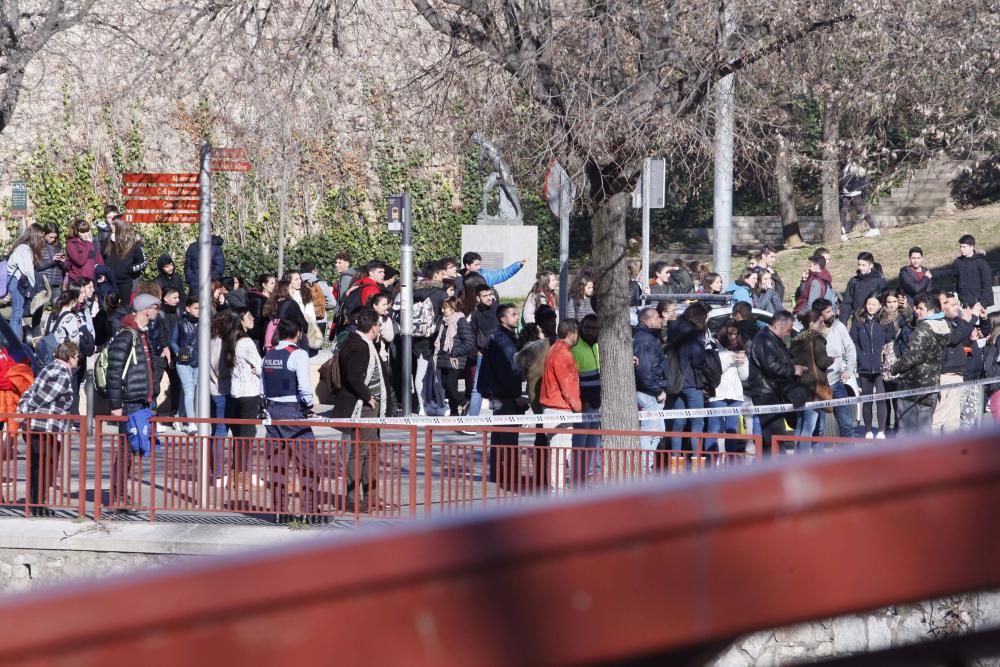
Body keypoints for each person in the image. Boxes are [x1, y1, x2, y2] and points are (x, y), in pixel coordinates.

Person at [262, 318, 318, 518]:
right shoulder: (298, 354)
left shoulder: (268, 356)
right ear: (298, 334)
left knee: (278, 465)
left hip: (272, 411)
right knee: (309, 463)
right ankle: (309, 510)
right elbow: (304, 387)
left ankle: (279, 511)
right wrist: (309, 404)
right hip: (292, 412)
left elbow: (263, 387)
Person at [107, 293, 160, 506]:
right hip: (129, 402)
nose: (157, 311)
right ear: (146, 309)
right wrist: (115, 405)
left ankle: (121, 494)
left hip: (140, 401)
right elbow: (114, 371)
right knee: (125, 449)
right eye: (155, 308)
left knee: (132, 449)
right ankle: (118, 495)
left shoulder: (143, 334)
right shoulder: (126, 335)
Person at [332, 310, 388, 512]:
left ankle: (370, 496)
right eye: (379, 325)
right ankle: (353, 499)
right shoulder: (358, 345)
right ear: (373, 327)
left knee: (371, 453)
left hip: (369, 407)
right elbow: (354, 376)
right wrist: (367, 396)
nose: (380, 328)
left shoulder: (366, 343)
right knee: (360, 452)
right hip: (363, 407)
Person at [16, 340, 79, 515]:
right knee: (46, 467)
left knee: (39, 466)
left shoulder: (48, 368)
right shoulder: (62, 373)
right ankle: (38, 505)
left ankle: (35, 504)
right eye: (77, 357)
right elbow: (44, 395)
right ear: (70, 357)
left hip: (36, 426)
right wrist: (25, 410)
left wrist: (22, 408)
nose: (78, 360)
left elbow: (30, 391)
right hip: (45, 426)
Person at [886, 293, 951, 435]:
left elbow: (912, 357)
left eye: (920, 308)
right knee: (924, 433)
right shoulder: (943, 325)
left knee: (906, 434)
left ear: (931, 310)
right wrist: (906, 310)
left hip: (912, 386)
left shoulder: (923, 330)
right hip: (931, 386)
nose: (917, 310)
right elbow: (916, 323)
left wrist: (893, 368)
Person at [477, 304, 526, 488]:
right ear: (502, 319)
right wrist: (516, 395)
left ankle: (498, 474)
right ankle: (508, 476)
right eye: (513, 314)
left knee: (499, 435)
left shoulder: (504, 337)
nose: (516, 317)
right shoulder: (502, 340)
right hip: (505, 394)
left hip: (499, 393)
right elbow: (511, 369)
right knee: (507, 436)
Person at [747, 311, 805, 453]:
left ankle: (770, 469)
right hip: (766, 394)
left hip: (775, 392)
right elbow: (772, 367)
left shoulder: (773, 339)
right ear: (778, 325)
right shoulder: (764, 340)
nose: (788, 333)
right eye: (788, 330)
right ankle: (773, 471)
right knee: (774, 438)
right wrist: (793, 369)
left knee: (774, 438)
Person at [223, 308, 263, 493]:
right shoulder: (246, 342)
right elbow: (260, 365)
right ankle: (240, 476)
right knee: (246, 437)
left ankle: (236, 474)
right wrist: (256, 369)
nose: (252, 318)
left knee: (239, 437)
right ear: (240, 321)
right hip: (249, 393)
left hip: (236, 392)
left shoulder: (231, 340)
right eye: (248, 316)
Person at [539, 319, 581, 494]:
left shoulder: (554, 350)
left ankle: (557, 488)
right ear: (571, 333)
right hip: (560, 408)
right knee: (559, 452)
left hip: (554, 406)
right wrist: (577, 407)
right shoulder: (563, 354)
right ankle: (558, 491)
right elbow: (567, 384)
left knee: (557, 452)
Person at [849, 293, 894, 439]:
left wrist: (885, 357)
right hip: (864, 367)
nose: (871, 307)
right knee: (867, 401)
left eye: (874, 304)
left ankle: (881, 430)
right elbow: (853, 341)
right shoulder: (858, 321)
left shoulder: (885, 321)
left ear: (880, 306)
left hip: (880, 367)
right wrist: (860, 356)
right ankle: (868, 430)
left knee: (881, 399)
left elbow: (890, 340)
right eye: (869, 304)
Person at [813, 298, 858, 438]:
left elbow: (850, 348)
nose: (832, 313)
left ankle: (848, 457)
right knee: (817, 428)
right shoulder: (811, 332)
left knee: (847, 424)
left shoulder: (839, 327)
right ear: (819, 315)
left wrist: (849, 370)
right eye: (828, 311)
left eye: (832, 310)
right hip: (817, 386)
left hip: (836, 383)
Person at [932, 291, 975, 434]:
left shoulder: (956, 322)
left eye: (956, 304)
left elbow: (964, 343)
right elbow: (954, 339)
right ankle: (933, 452)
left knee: (953, 420)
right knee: (939, 418)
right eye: (951, 304)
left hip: (957, 373)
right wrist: (968, 319)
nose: (956, 307)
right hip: (946, 374)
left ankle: (949, 452)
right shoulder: (940, 322)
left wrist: (974, 320)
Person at [790, 311, 832, 452]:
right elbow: (822, 362)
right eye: (820, 322)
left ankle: (796, 458)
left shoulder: (796, 339)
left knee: (800, 424)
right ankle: (804, 461)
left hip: (798, 386)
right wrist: (832, 359)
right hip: (813, 387)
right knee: (809, 427)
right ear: (812, 324)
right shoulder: (816, 339)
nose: (823, 324)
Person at [705, 321, 749, 454]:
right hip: (718, 393)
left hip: (735, 394)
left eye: (736, 334)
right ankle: (711, 462)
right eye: (730, 333)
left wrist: (742, 362)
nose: (733, 337)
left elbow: (744, 376)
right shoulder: (713, 346)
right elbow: (713, 371)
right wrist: (730, 360)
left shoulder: (740, 348)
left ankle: (730, 461)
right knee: (714, 428)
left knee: (732, 430)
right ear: (724, 333)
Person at [633, 307, 671, 456]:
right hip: (649, 393)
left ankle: (647, 468)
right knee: (650, 432)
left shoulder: (649, 338)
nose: (660, 320)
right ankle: (644, 470)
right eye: (656, 318)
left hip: (652, 391)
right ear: (647, 322)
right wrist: (658, 390)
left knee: (656, 433)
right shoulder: (645, 341)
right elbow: (645, 371)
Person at [208, 310, 236, 487]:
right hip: (221, 391)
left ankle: (217, 471)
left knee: (217, 432)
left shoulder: (210, 341)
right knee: (220, 433)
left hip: (214, 391)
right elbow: (221, 370)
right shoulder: (219, 344)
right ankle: (218, 473)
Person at [571, 314, 601, 479]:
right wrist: (582, 402)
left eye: (595, 328)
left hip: (597, 404)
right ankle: (577, 479)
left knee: (591, 444)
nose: (592, 331)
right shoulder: (576, 350)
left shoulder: (599, 346)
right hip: (583, 406)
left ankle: (585, 477)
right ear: (582, 328)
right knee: (580, 445)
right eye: (588, 327)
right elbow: (573, 380)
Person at [6, 223, 46, 343]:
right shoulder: (24, 249)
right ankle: (14, 343)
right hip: (17, 282)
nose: (42, 239)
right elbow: (28, 270)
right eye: (41, 236)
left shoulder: (23, 247)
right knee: (17, 313)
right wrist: (35, 286)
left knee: (18, 314)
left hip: (16, 282)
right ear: (35, 236)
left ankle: (16, 341)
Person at [434, 297, 474, 416]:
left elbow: (468, 342)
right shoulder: (444, 321)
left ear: (453, 308)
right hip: (444, 358)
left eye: (445, 308)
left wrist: (455, 352)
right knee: (446, 385)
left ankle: (465, 403)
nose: (442, 310)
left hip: (454, 359)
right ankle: (454, 410)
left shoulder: (460, 321)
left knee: (451, 385)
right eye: (442, 307)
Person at [168, 295, 201, 435]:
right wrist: (179, 352)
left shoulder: (204, 323)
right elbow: (172, 340)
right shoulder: (180, 322)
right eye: (196, 308)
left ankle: (178, 418)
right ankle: (191, 422)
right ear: (188, 308)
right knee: (189, 391)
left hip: (197, 361)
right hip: (183, 361)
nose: (199, 310)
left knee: (189, 390)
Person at [102, 217, 148, 303]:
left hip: (125, 282)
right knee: (109, 310)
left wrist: (131, 269)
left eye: (113, 224)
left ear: (120, 226)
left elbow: (144, 262)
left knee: (124, 310)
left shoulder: (133, 243)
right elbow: (101, 258)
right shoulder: (107, 241)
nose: (110, 226)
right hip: (109, 281)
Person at [840, 252, 887, 326]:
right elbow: (847, 303)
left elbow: (885, 301)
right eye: (859, 264)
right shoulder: (854, 281)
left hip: (875, 321)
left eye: (863, 265)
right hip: (858, 321)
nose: (860, 267)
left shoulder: (879, 281)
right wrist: (843, 322)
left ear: (871, 265)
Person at [262, 279, 308, 350]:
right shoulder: (291, 304)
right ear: (286, 290)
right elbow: (304, 326)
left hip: (272, 342)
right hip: (288, 343)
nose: (293, 291)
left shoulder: (270, 304)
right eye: (291, 288)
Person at [952, 234, 994, 309]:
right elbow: (955, 282)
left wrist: (982, 302)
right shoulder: (957, 262)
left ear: (972, 247)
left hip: (979, 303)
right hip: (963, 303)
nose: (961, 249)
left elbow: (987, 284)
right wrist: (956, 298)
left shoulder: (981, 263)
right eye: (960, 246)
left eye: (964, 247)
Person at [840, 161, 878, 239]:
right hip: (847, 193)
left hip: (854, 192)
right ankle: (843, 233)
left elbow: (861, 179)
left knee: (861, 211)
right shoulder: (847, 166)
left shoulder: (856, 167)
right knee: (843, 211)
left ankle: (874, 229)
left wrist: (863, 192)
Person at [65, 219, 105, 284]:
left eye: (87, 231)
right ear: (77, 232)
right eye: (82, 232)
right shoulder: (71, 244)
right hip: (77, 280)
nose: (86, 234)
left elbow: (98, 260)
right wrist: (88, 244)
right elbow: (80, 261)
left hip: (91, 280)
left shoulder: (91, 244)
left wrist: (102, 273)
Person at [460, 252, 525, 289]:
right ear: (467, 265)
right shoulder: (458, 278)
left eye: (479, 264)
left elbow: (503, 274)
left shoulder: (485, 275)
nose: (479, 267)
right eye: (476, 265)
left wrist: (518, 265)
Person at [247, 274, 275, 352]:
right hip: (259, 337)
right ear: (264, 285)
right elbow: (257, 320)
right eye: (272, 283)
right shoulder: (258, 300)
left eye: (275, 283)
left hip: (269, 335)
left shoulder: (272, 299)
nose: (274, 286)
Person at [38, 225, 66, 306]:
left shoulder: (58, 245)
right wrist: (52, 260)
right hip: (43, 283)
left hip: (56, 283)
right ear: (44, 234)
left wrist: (63, 262)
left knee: (58, 307)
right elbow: (37, 266)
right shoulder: (38, 245)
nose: (53, 239)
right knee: (38, 311)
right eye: (50, 237)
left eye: (55, 237)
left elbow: (64, 267)